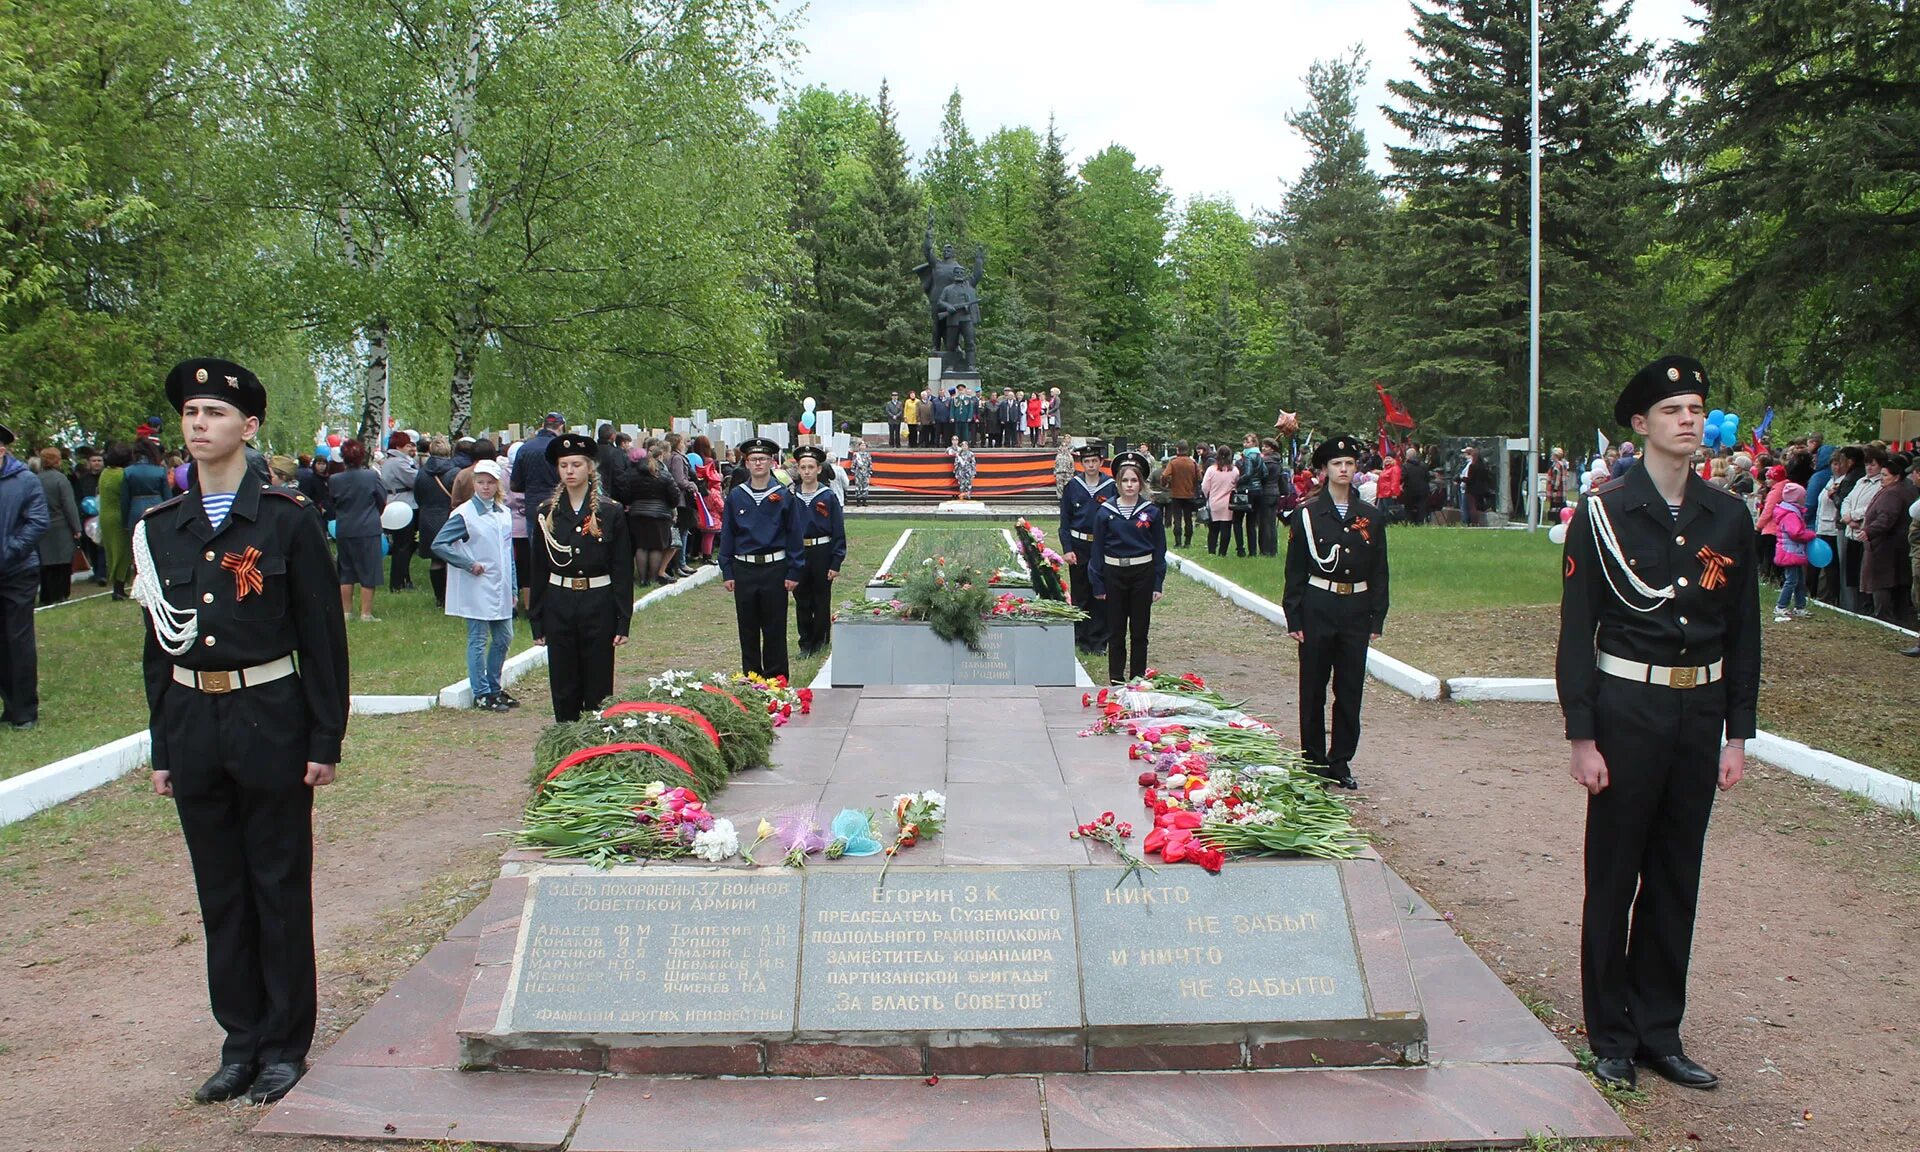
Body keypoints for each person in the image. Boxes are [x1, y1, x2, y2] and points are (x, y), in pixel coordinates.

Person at [133, 357, 349, 1107]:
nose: (199, 425)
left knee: (277, 888)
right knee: (220, 893)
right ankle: (240, 1043)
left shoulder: (284, 520)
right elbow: (158, 645)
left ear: (248, 427)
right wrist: (164, 746)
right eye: (191, 413)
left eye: (216, 414)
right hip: (195, 723)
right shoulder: (162, 528)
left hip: (271, 720)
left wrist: (325, 739)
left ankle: (285, 1046)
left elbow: (323, 639)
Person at [1555, 355, 1760, 1093]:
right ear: (1641, 424)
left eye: (1697, 409)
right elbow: (1579, 631)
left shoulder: (1727, 516)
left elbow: (1743, 632)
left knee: (1677, 876)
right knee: (1614, 876)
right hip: (1626, 709)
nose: (1689, 421)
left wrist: (1738, 732)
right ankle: (1609, 1034)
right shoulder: (1603, 514)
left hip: (1697, 712)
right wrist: (1583, 735)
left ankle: (1657, 1032)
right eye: (1674, 410)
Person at [1282, 435, 1388, 791]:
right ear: (1324, 471)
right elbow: (1295, 568)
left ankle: (1340, 759)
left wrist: (1377, 615)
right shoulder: (1308, 515)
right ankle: (1313, 760)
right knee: (1313, 685)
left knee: (1349, 687)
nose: (1344, 469)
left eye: (1349, 464)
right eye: (1337, 464)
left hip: (1355, 608)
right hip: (1317, 605)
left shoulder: (1371, 517)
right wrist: (1293, 615)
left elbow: (1379, 569)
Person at [527, 433, 633, 722]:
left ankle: (596, 741)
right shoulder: (547, 513)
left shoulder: (609, 512)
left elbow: (622, 568)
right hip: (558, 602)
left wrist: (623, 618)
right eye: (564, 466)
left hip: (598, 602)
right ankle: (566, 736)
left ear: (590, 468)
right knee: (563, 680)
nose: (570, 471)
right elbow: (538, 568)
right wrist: (536, 618)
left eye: (576, 464)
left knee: (598, 680)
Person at [432, 458, 518, 711]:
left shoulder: (503, 512)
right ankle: (481, 691)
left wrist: (513, 586)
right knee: (478, 638)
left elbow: (507, 550)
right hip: (477, 584)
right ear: (474, 484)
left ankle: (494, 686)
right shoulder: (464, 514)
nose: (485, 487)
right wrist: (468, 563)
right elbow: (440, 544)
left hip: (499, 584)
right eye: (480, 482)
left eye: (490, 482)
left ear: (497, 484)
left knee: (504, 637)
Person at [718, 437, 803, 679]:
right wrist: (727, 570)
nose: (758, 464)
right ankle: (752, 679)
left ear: (771, 462)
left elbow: (794, 534)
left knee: (775, 627)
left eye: (763, 459)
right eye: (753, 459)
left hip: (775, 568)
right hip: (744, 569)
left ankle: (777, 681)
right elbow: (728, 535)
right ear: (746, 463)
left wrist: (794, 570)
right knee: (748, 628)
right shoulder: (736, 496)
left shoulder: (784, 495)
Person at [1090, 450, 1167, 686]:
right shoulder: (1106, 512)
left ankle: (1137, 679)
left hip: (1142, 575)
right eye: (1125, 480)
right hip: (1114, 575)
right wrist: (1099, 582)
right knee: (1116, 631)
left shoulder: (1151, 512)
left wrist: (1157, 582)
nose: (1130, 485)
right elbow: (1097, 550)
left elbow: (1159, 550)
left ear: (1141, 482)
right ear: (1117, 483)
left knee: (1139, 631)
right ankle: (1116, 679)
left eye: (1134, 480)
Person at [0, 423, 48, 729]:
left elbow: (37, 521)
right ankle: (8, 703)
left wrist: (9, 550)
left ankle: (25, 709)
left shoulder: (25, 481)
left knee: (18, 640)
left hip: (17, 571)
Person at [1059, 442, 1115, 655]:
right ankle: (1080, 637)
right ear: (1081, 464)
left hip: (1102, 546)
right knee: (1081, 593)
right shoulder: (1073, 487)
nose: (1090, 465)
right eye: (1086, 461)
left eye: (1094, 461)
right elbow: (1065, 521)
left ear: (1101, 462)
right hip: (1079, 546)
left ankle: (1099, 640)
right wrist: (1067, 548)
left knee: (1101, 594)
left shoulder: (1111, 487)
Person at [790, 446, 845, 657]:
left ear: (819, 469)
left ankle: (821, 639)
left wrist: (836, 561)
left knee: (821, 599)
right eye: (802, 467)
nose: (806, 471)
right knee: (801, 598)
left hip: (821, 550)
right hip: (798, 552)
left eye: (810, 467)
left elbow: (838, 530)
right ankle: (805, 643)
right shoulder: (791, 496)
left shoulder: (828, 496)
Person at [327, 440, 386, 622]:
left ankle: (346, 612)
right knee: (369, 570)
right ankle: (366, 613)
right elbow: (381, 499)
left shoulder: (334, 479)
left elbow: (333, 503)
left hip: (345, 527)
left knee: (346, 571)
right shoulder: (371, 476)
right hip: (368, 527)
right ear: (362, 457)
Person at [1861, 452, 1914, 624]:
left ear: (1896, 477)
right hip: (1891, 546)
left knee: (1882, 583)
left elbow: (1886, 518)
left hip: (1886, 547)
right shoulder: (1899, 490)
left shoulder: (1893, 494)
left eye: (1885, 475)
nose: (1881, 478)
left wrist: (1869, 531)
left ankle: (1884, 617)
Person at [621, 441, 679, 588]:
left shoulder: (633, 475)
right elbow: (674, 495)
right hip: (659, 515)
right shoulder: (664, 475)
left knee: (641, 546)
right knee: (656, 547)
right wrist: (669, 506)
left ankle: (642, 579)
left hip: (637, 513)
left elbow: (626, 495)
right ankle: (652, 577)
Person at [414, 435, 460, 607]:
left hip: (427, 517)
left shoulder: (421, 473)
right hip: (449, 516)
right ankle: (451, 596)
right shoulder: (454, 472)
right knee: (452, 558)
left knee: (436, 559)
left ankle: (439, 598)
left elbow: (418, 496)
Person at [1771, 454, 1815, 622]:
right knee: (1791, 581)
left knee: (1799, 581)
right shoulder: (1791, 515)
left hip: (1793, 552)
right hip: (1789, 552)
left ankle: (1800, 606)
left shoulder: (1792, 512)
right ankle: (1781, 606)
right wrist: (1810, 534)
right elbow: (1795, 533)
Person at [36, 446, 81, 604]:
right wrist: (76, 528)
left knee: (47, 563)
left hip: (41, 525)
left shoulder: (36, 479)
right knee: (62, 562)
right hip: (61, 525)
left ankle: (46, 596)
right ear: (57, 460)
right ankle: (61, 594)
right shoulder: (60, 479)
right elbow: (69, 505)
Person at [379, 431, 419, 591]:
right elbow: (415, 479)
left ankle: (402, 579)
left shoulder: (391, 461)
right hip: (403, 505)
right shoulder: (398, 463)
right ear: (398, 446)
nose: (410, 447)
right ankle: (398, 582)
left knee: (403, 545)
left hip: (397, 504)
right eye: (407, 444)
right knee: (403, 546)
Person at [97, 442, 133, 599]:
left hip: (105, 516)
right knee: (122, 552)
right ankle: (119, 588)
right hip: (118, 516)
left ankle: (117, 586)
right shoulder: (122, 475)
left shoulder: (105, 473)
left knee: (111, 552)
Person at [1159, 442, 1200, 548]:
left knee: (1177, 519)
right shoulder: (1193, 463)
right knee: (1188, 519)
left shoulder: (1173, 463)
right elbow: (1199, 478)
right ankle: (1188, 542)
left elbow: (1164, 475)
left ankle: (1178, 542)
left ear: (1177, 449)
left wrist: (1165, 484)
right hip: (1189, 494)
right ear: (1187, 450)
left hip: (1176, 494)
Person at [1200, 447, 1238, 556]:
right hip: (1228, 504)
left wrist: (1208, 495)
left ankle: (1211, 551)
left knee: (1213, 529)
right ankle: (1223, 552)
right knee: (1226, 529)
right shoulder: (1234, 470)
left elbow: (1205, 486)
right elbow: (1236, 484)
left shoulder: (1212, 470)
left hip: (1214, 502)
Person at [1401, 447, 1431, 526]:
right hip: (1423, 491)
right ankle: (1420, 523)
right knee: (1421, 508)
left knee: (1408, 508)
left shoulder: (1405, 466)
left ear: (1407, 456)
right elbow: (1428, 477)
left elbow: (1402, 478)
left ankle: (1410, 522)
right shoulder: (1423, 465)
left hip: (1410, 491)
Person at [849, 437, 873, 507]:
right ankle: (858, 501)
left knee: (865, 487)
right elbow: (853, 463)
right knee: (858, 487)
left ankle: (864, 500)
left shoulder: (867, 455)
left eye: (864, 445)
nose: (863, 447)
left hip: (865, 473)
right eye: (861, 445)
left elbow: (870, 463)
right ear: (859, 446)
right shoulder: (856, 455)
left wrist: (870, 471)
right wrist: (853, 471)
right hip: (858, 472)